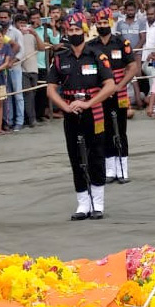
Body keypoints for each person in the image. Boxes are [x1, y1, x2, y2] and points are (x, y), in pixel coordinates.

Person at [47, 13, 116, 220]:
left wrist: (88, 103)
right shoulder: (60, 59)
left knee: (96, 154)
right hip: (71, 113)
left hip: (93, 111)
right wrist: (65, 108)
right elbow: (50, 90)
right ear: (66, 33)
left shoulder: (97, 56)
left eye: (78, 30)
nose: (75, 34)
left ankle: (98, 203)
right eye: (71, 31)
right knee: (76, 156)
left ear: (85, 31)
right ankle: (82, 203)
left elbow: (110, 85)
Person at [89, 9, 139, 183]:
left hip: (120, 91)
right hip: (101, 93)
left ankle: (123, 169)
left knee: (121, 129)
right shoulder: (91, 46)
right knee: (105, 130)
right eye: (99, 23)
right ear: (95, 24)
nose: (103, 26)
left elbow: (132, 67)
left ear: (110, 22)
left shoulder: (121, 42)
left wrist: (120, 85)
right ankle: (110, 170)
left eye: (105, 23)